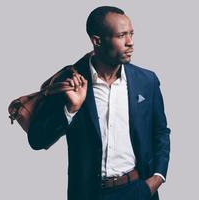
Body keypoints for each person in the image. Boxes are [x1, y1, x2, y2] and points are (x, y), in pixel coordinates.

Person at [28, 6, 170, 200]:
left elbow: (160, 131)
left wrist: (157, 178)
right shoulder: (70, 80)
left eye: (131, 34)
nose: (130, 43)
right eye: (121, 36)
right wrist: (71, 110)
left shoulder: (147, 81)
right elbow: (37, 140)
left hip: (138, 189)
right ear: (97, 41)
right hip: (89, 194)